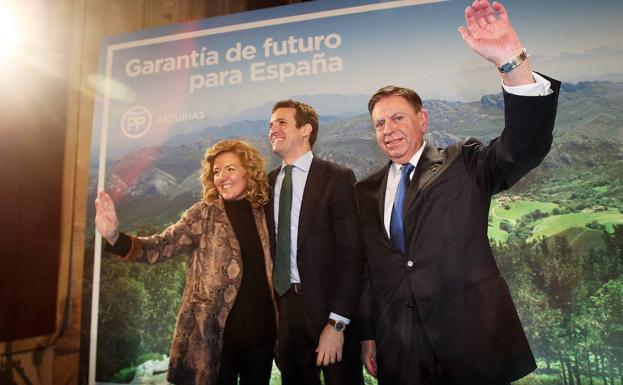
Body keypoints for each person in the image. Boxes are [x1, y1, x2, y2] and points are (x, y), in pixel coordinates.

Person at [356, 1, 560, 384]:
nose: (388, 129)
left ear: (422, 119)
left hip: (470, 339)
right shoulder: (364, 191)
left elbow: (524, 146)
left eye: (398, 117)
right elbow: (370, 271)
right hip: (399, 349)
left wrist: (510, 62)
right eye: (379, 123)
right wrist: (368, 333)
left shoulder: (463, 161)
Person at [94, 139, 277, 385]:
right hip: (214, 341)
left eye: (230, 169)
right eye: (216, 172)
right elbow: (160, 247)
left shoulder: (265, 212)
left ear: (249, 171)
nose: (222, 176)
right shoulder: (203, 213)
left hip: (261, 337)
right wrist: (117, 238)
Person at [266, 100, 364, 385]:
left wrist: (337, 323)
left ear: (305, 129)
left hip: (330, 310)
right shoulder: (267, 184)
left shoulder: (337, 178)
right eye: (270, 124)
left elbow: (353, 256)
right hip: (286, 313)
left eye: (282, 122)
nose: (273, 129)